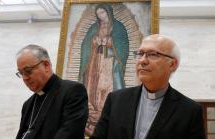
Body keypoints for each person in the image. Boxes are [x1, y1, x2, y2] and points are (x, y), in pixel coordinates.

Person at [90, 34, 206, 139]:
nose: (142, 61)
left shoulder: (190, 111)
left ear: (172, 64)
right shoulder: (116, 100)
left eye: (153, 54)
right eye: (140, 54)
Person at [15, 44, 88, 139]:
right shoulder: (28, 104)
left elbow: (69, 134)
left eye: (28, 71)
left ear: (46, 65)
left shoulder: (72, 92)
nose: (25, 78)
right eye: (21, 73)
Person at [79, 4, 129, 135]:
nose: (101, 15)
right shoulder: (94, 27)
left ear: (108, 12)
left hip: (109, 62)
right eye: (98, 13)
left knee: (105, 86)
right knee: (93, 86)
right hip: (94, 61)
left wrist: (109, 41)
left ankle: (105, 113)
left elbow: (123, 45)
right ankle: (92, 115)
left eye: (103, 12)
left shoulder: (118, 27)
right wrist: (94, 41)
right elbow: (85, 44)